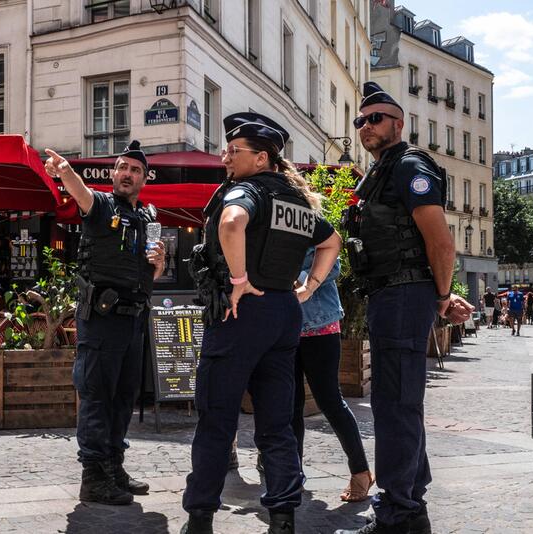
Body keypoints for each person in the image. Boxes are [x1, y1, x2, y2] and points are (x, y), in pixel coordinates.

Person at [181, 112, 341, 534]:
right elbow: (332, 241)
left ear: (262, 158)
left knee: (217, 417)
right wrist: (308, 287)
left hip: (240, 313)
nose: (225, 156)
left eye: (234, 150)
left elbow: (233, 223)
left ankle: (199, 517)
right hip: (284, 314)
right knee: (277, 422)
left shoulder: (247, 190)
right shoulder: (297, 202)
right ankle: (283, 516)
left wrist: (238, 280)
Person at [336, 83, 472, 534]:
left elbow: (440, 240)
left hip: (402, 295)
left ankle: (398, 511)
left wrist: (440, 296)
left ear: (399, 123)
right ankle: (410, 504)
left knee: (394, 403)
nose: (366, 126)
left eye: (375, 118)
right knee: (398, 404)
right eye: (360, 121)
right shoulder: (378, 173)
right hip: (390, 295)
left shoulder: (409, 166)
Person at [44, 140, 166, 506]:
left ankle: (114, 467)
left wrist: (157, 266)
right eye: (123, 167)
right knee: (97, 397)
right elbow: (80, 194)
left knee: (123, 399)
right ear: (113, 173)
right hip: (101, 319)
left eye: (135, 170)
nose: (128, 174)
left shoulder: (147, 218)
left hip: (133, 320)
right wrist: (65, 171)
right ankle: (93, 478)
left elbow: (149, 271)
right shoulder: (100, 206)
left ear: (145, 178)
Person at [291, 248, 372, 502]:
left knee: (330, 401)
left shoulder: (315, 225)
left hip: (319, 325)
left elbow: (332, 266)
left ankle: (360, 471)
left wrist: (294, 278)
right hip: (284, 327)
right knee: (290, 404)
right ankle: (293, 474)